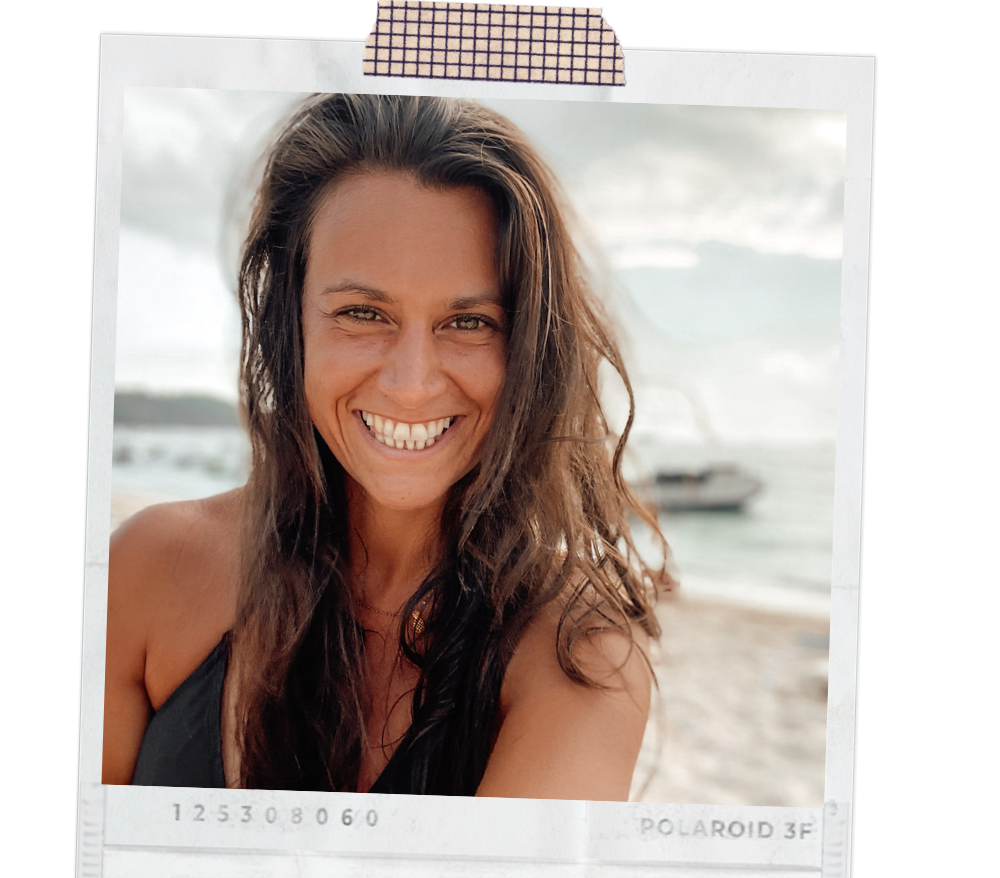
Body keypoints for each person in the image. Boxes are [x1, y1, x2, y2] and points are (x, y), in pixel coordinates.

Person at [103, 93, 668, 798]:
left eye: (469, 322)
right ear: (290, 323)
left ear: (527, 347)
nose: (410, 384)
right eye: (362, 313)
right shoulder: (146, 571)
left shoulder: (578, 652)